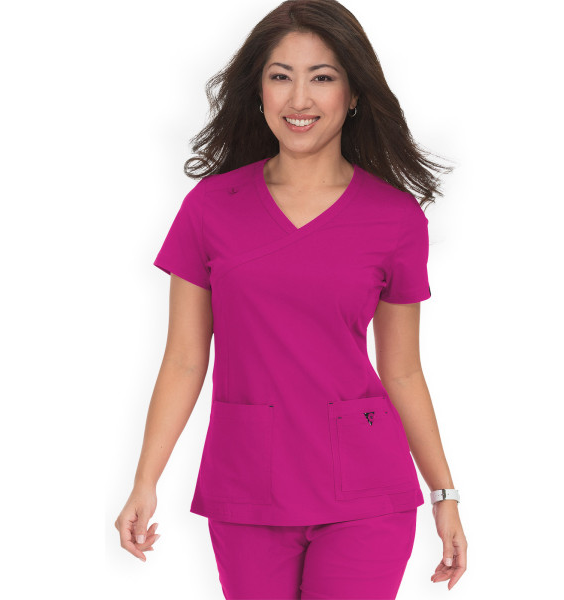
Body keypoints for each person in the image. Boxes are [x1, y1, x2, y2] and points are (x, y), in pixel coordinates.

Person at [115, 0, 468, 597]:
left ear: (353, 95)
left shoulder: (395, 218)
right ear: (258, 91)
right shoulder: (209, 209)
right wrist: (145, 480)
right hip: (247, 482)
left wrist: (444, 494)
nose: (299, 98)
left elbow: (402, 370)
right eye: (281, 76)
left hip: (366, 490)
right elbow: (184, 359)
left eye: (321, 77)